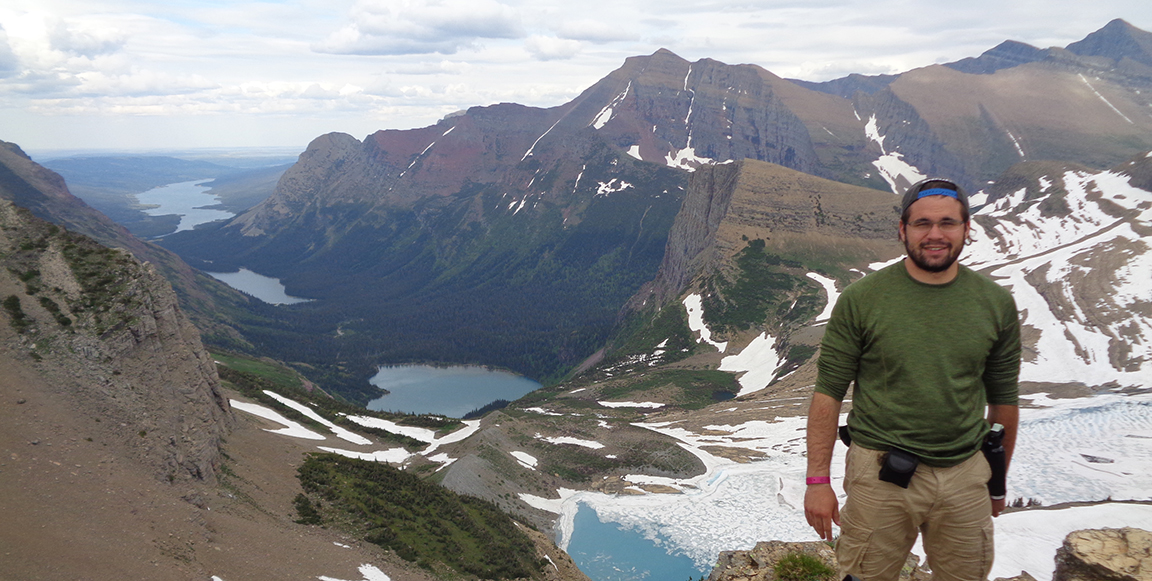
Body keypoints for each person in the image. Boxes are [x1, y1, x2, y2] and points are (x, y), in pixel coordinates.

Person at [803, 178, 1021, 581]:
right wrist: (818, 481)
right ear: (903, 230)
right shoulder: (863, 299)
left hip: (965, 473)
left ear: (966, 229)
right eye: (922, 224)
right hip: (879, 474)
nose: (935, 234)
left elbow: (1004, 401)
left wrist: (995, 484)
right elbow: (828, 392)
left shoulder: (995, 303)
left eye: (947, 223)